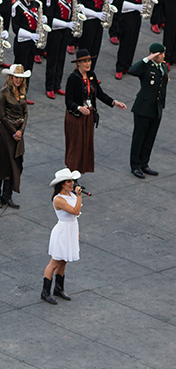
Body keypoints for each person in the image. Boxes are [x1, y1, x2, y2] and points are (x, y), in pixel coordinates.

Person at [64, 49, 126, 173]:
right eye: (84, 61)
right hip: (76, 117)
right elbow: (68, 101)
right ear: (78, 63)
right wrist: (79, 108)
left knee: (85, 145)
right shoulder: (73, 78)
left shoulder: (91, 75)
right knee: (76, 145)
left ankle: (78, 172)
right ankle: (71, 174)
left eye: (89, 61)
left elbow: (100, 93)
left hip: (89, 116)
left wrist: (114, 102)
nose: (88, 64)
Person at [41, 168, 83, 305]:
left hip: (70, 230)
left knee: (63, 261)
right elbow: (75, 211)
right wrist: (80, 196)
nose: (72, 184)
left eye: (72, 181)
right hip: (62, 232)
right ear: (62, 184)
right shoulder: (58, 199)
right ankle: (45, 292)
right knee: (54, 262)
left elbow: (73, 218)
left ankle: (59, 288)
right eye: (69, 181)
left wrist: (76, 231)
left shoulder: (71, 195)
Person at [127, 43, 169, 178]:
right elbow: (132, 70)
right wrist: (147, 58)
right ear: (153, 54)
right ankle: (135, 165)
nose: (163, 56)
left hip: (156, 107)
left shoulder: (163, 66)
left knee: (150, 137)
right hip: (143, 108)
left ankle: (144, 163)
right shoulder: (146, 67)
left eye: (163, 53)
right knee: (139, 137)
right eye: (159, 54)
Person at [0, 65, 30, 208]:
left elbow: (25, 113)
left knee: (16, 163)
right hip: (5, 133)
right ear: (10, 77)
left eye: (21, 78)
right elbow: (2, 117)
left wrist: (21, 130)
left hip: (18, 133)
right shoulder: (3, 94)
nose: (18, 80)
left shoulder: (22, 93)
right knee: (3, 163)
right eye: (16, 77)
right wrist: (14, 131)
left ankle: (7, 195)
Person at [114, 0, 150, 80]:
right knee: (125, 40)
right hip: (127, 13)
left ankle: (127, 65)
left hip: (137, 13)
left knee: (133, 39)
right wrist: (136, 6)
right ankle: (120, 66)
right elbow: (119, 0)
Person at [44, 0, 77, 99]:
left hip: (65, 30)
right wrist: (66, 24)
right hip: (56, 31)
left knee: (61, 58)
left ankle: (57, 85)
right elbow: (50, 18)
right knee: (52, 59)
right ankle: (49, 86)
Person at [75, 0, 110, 75]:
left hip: (99, 20)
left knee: (95, 48)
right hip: (88, 20)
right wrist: (96, 14)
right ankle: (81, 72)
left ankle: (90, 72)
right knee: (86, 47)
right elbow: (80, 6)